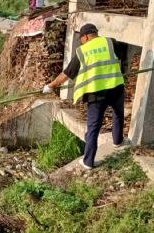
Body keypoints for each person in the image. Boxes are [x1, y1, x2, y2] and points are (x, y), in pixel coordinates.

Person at [42, 23, 129, 170]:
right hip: (116, 87)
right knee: (118, 114)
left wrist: (51, 86)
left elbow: (67, 74)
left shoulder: (82, 51)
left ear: (86, 36)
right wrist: (123, 69)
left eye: (81, 38)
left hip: (96, 94)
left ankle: (88, 162)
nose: (80, 41)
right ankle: (118, 141)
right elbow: (122, 56)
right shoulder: (110, 42)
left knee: (93, 128)